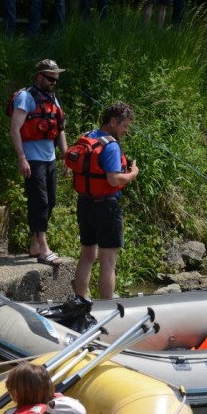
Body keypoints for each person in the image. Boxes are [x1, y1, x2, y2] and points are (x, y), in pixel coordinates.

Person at [70, 102, 139, 300]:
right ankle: (108, 308)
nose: (126, 131)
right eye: (124, 126)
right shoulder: (111, 146)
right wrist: (133, 173)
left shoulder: (89, 136)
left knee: (87, 255)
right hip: (106, 207)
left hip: (84, 204)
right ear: (113, 121)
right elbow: (114, 179)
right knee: (108, 260)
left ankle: (80, 301)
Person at [9, 60, 68, 266]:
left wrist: (66, 157)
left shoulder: (52, 98)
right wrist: (21, 158)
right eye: (51, 78)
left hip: (50, 158)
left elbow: (60, 129)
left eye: (56, 79)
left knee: (50, 201)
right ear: (40, 76)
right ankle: (44, 249)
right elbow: (15, 129)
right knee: (39, 202)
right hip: (33, 159)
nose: (54, 82)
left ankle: (34, 243)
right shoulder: (26, 97)